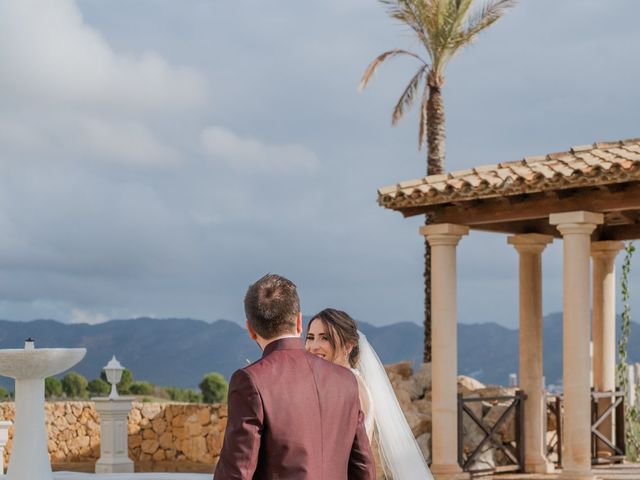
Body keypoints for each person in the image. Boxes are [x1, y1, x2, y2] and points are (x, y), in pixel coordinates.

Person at [214, 275, 375, 480]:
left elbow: (237, 472)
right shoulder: (346, 381)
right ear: (299, 321)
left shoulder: (250, 380)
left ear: (250, 329)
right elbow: (363, 467)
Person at [305, 308, 434, 480]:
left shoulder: (345, 387)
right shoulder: (354, 382)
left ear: (348, 346)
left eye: (325, 338)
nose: (314, 346)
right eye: (310, 338)